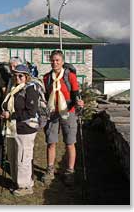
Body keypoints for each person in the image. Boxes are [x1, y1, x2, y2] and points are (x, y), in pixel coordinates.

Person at [41, 49, 84, 186]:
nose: (55, 63)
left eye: (57, 60)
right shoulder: (47, 78)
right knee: (51, 141)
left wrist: (79, 102)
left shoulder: (69, 76)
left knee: (70, 143)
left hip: (68, 111)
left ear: (62, 62)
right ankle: (50, 170)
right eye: (53, 60)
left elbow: (76, 93)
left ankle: (70, 171)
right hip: (53, 112)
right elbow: (47, 96)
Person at [1, 64, 39, 196]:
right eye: (15, 75)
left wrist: (10, 115)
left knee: (23, 157)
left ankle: (25, 186)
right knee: (13, 155)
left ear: (27, 77)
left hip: (26, 129)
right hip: (13, 128)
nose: (17, 77)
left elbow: (31, 112)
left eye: (20, 75)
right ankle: (17, 181)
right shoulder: (14, 89)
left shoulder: (30, 90)